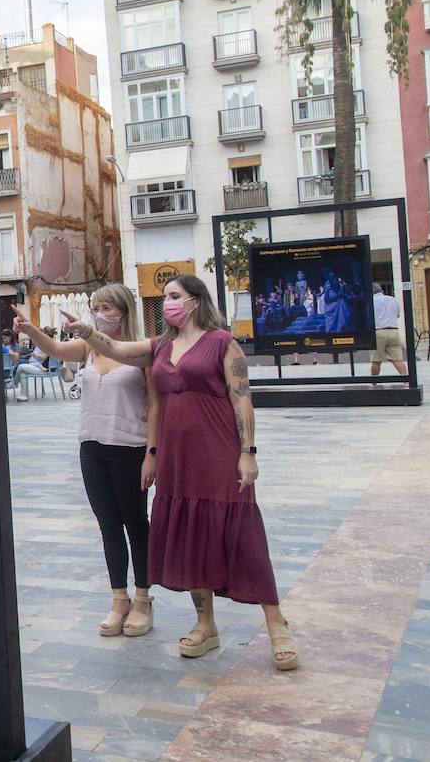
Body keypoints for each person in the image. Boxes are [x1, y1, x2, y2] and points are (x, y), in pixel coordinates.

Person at [61, 275, 297, 671]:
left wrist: (248, 453)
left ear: (194, 300)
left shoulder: (222, 342)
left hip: (218, 452)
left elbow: (243, 401)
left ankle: (277, 624)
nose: (167, 303)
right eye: (166, 296)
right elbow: (115, 347)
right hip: (177, 458)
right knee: (192, 534)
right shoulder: (160, 346)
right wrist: (86, 330)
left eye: (174, 296)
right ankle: (206, 625)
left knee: (242, 535)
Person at [14, 285, 157, 637]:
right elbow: (57, 349)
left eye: (106, 307)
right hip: (92, 447)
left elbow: (156, 405)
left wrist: (153, 454)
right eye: (95, 307)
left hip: (130, 446)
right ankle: (118, 598)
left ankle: (143, 599)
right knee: (108, 525)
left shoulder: (140, 351)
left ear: (123, 310)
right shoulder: (90, 348)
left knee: (136, 525)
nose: (99, 313)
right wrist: (32, 330)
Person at [371, 284, 407, 376]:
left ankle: (374, 382)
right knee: (397, 359)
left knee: (376, 360)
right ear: (381, 290)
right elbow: (398, 315)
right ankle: (405, 380)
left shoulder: (371, 301)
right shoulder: (393, 300)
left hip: (378, 332)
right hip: (394, 331)